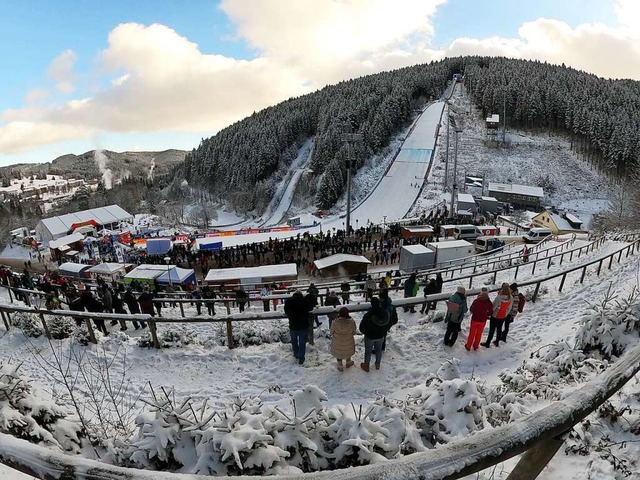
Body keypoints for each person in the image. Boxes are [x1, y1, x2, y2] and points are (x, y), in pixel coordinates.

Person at [359, 297, 390, 372]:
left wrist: (366, 332)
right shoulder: (385, 313)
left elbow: (361, 328)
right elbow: (388, 324)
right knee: (378, 350)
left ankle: (366, 365)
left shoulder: (368, 315)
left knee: (368, 351)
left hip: (370, 336)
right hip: (381, 335)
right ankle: (377, 364)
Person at [284, 290, 312, 365]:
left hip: (293, 325)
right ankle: (301, 357)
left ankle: (296, 353)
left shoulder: (289, 301)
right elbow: (310, 309)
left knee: (294, 341)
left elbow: (286, 311)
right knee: (302, 342)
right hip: (303, 325)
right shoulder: (305, 301)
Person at [482, 283, 513, 348]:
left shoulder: (499, 297)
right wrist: (505, 314)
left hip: (495, 316)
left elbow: (493, 307)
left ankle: (488, 343)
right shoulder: (511, 298)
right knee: (499, 329)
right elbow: (509, 308)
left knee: (492, 330)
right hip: (503, 316)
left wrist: (490, 314)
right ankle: (497, 342)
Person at [330, 307, 356, 371]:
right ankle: (348, 362)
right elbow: (354, 332)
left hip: (337, 341)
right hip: (348, 341)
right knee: (347, 350)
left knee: (339, 353)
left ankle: (340, 366)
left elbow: (331, 332)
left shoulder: (335, 322)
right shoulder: (352, 322)